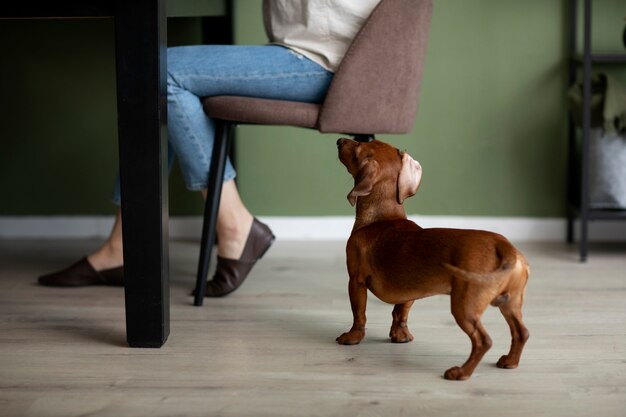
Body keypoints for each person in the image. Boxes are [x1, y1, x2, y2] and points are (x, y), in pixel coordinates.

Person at [38, 0, 382, 297]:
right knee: (162, 83)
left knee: (157, 70)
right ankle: (123, 245)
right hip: (312, 51)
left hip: (325, 58)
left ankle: (233, 223)